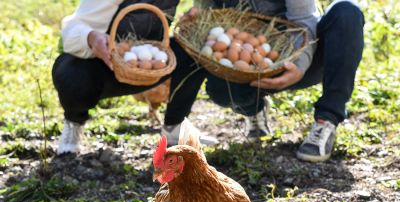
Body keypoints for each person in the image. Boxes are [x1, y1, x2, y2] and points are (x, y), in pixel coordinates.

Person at [161, 0, 365, 162]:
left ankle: (326, 121)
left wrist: (300, 65)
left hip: (299, 56)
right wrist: (196, 22)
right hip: (244, 66)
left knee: (347, 11)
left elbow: (304, 21)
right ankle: (253, 110)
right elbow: (209, 21)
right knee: (220, 90)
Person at [52, 0, 182, 154]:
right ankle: (74, 123)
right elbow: (72, 28)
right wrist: (90, 37)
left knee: (193, 52)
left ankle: (175, 128)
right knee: (73, 74)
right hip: (103, 65)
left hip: (151, 64)